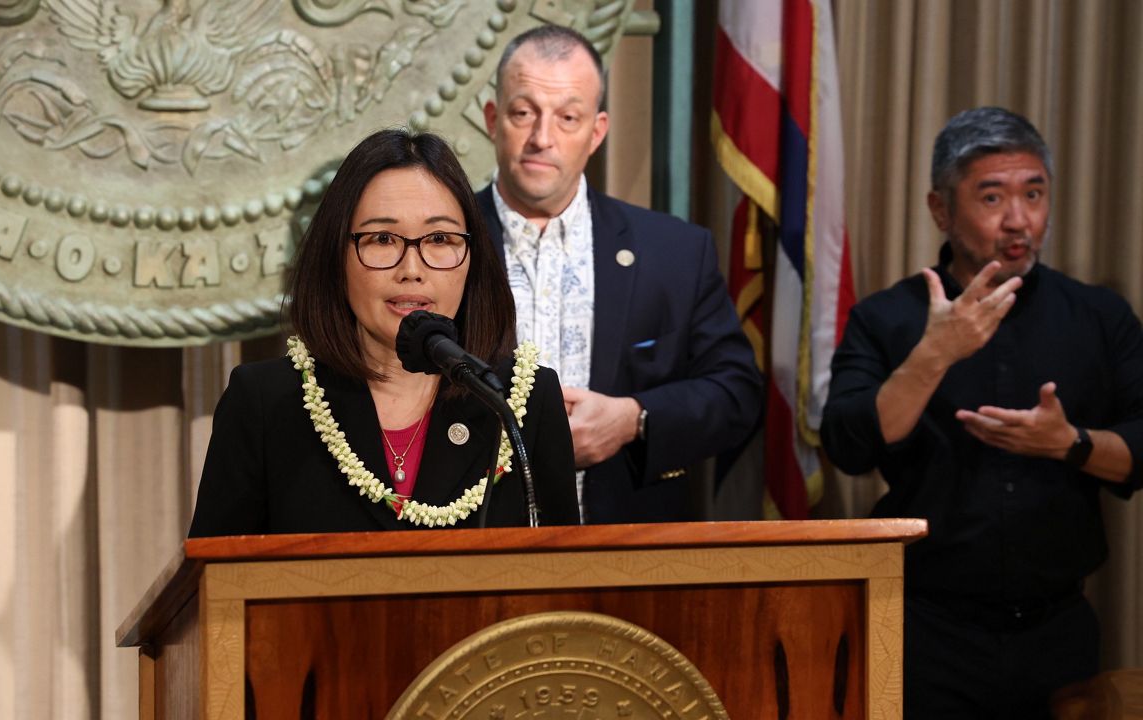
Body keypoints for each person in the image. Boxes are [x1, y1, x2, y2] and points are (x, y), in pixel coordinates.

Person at [821, 106, 1143, 718]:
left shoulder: (1101, 318)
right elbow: (849, 445)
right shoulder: (887, 317)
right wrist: (932, 355)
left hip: (1059, 630)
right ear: (941, 209)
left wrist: (1070, 443)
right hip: (926, 627)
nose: (1018, 219)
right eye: (991, 197)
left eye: (1034, 194)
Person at [188, 128, 579, 536]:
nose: (411, 269)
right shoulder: (266, 403)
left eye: (440, 238)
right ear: (336, 257)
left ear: (471, 259)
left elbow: (563, 583)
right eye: (382, 239)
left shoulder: (519, 401)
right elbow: (215, 588)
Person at [478, 25, 762, 524]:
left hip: (627, 549)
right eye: (524, 113)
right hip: (467, 546)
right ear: (493, 119)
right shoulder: (439, 243)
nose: (542, 138)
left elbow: (737, 392)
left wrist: (634, 418)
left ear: (597, 131)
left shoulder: (674, 252)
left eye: (568, 117)